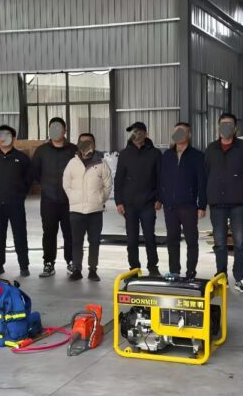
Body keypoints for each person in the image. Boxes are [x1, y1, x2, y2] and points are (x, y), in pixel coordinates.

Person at [204, 113, 243, 293]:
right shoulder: (211, 148)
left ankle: (240, 278)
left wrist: (239, 187)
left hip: (237, 203)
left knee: (239, 242)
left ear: (235, 128)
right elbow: (206, 173)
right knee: (219, 242)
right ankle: (221, 276)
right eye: (223, 124)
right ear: (218, 127)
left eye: (229, 125)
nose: (226, 128)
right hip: (217, 203)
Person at [156, 122, 207, 279]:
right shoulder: (167, 155)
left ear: (188, 135)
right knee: (172, 239)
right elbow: (161, 179)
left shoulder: (197, 156)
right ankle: (174, 270)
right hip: (169, 206)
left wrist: (202, 205)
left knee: (191, 240)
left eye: (182, 131)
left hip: (188, 205)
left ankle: (191, 271)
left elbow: (202, 182)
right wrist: (159, 198)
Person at [0, 125, 32, 277]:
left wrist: (21, 193)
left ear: (14, 138)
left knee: (20, 234)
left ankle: (24, 266)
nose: (3, 138)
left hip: (16, 203)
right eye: (0, 136)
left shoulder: (22, 158)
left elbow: (28, 178)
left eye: (7, 135)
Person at [31, 117, 78, 278]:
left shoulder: (73, 150)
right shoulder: (42, 151)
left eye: (59, 128)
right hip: (49, 200)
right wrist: (46, 185)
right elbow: (35, 172)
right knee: (49, 232)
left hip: (69, 200)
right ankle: (48, 263)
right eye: (53, 128)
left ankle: (71, 262)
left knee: (70, 233)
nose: (56, 131)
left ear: (65, 130)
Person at [62, 133, 112, 282]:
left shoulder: (101, 163)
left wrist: (99, 199)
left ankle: (93, 270)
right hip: (76, 211)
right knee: (76, 241)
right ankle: (77, 269)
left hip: (95, 211)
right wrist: (74, 198)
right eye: (82, 142)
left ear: (94, 145)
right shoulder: (72, 163)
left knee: (94, 241)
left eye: (88, 142)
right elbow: (66, 184)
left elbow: (108, 185)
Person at [114, 121, 161, 276]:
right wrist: (119, 201)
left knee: (149, 237)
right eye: (133, 132)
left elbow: (160, 178)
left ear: (145, 134)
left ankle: (153, 267)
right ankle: (134, 268)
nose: (136, 135)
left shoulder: (155, 154)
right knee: (132, 238)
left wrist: (159, 198)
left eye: (139, 132)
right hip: (130, 205)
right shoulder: (125, 154)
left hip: (148, 203)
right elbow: (119, 179)